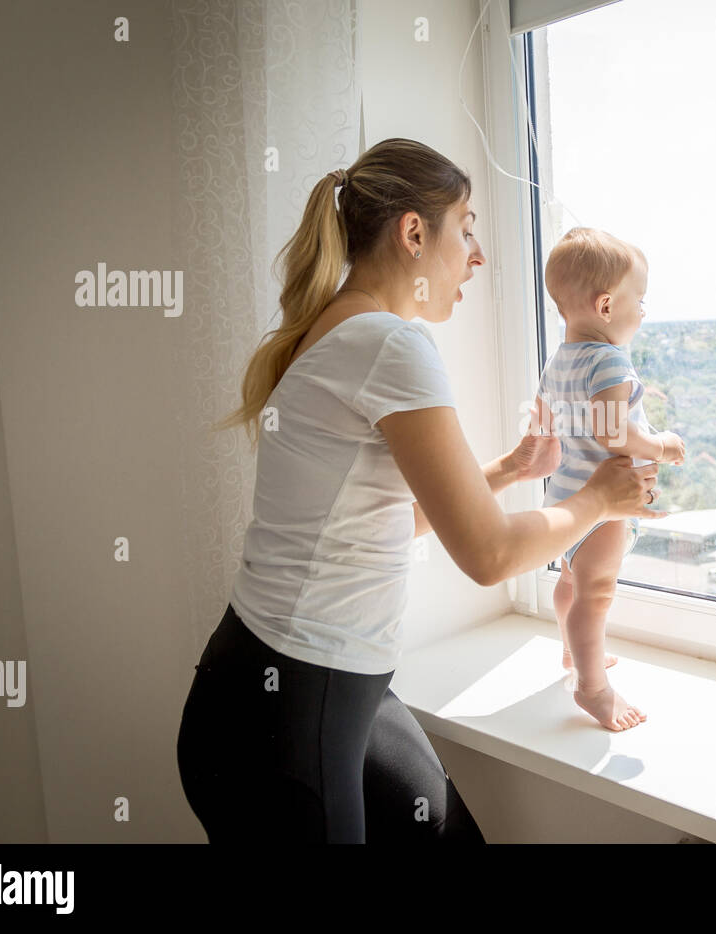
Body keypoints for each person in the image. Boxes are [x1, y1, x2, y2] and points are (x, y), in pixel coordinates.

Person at [175, 138, 660, 843]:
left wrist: (504, 472)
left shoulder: (335, 329)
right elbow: (490, 557)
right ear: (412, 232)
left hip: (297, 686)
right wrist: (599, 500)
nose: (479, 254)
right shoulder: (389, 344)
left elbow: (369, 522)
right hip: (289, 712)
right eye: (466, 227)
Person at [532, 228, 685, 731]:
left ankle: (574, 656)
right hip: (601, 506)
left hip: (564, 499)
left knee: (572, 582)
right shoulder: (611, 360)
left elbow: (545, 422)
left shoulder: (560, 359)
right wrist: (660, 445)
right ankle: (593, 688)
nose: (642, 311)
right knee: (596, 594)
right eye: (638, 300)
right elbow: (613, 431)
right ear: (605, 306)